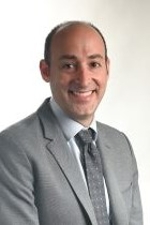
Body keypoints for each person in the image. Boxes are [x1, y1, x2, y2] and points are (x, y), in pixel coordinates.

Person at [0, 21, 143, 225]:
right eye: (69, 65)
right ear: (46, 71)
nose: (84, 79)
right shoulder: (13, 148)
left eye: (94, 64)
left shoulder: (121, 145)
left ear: (107, 68)